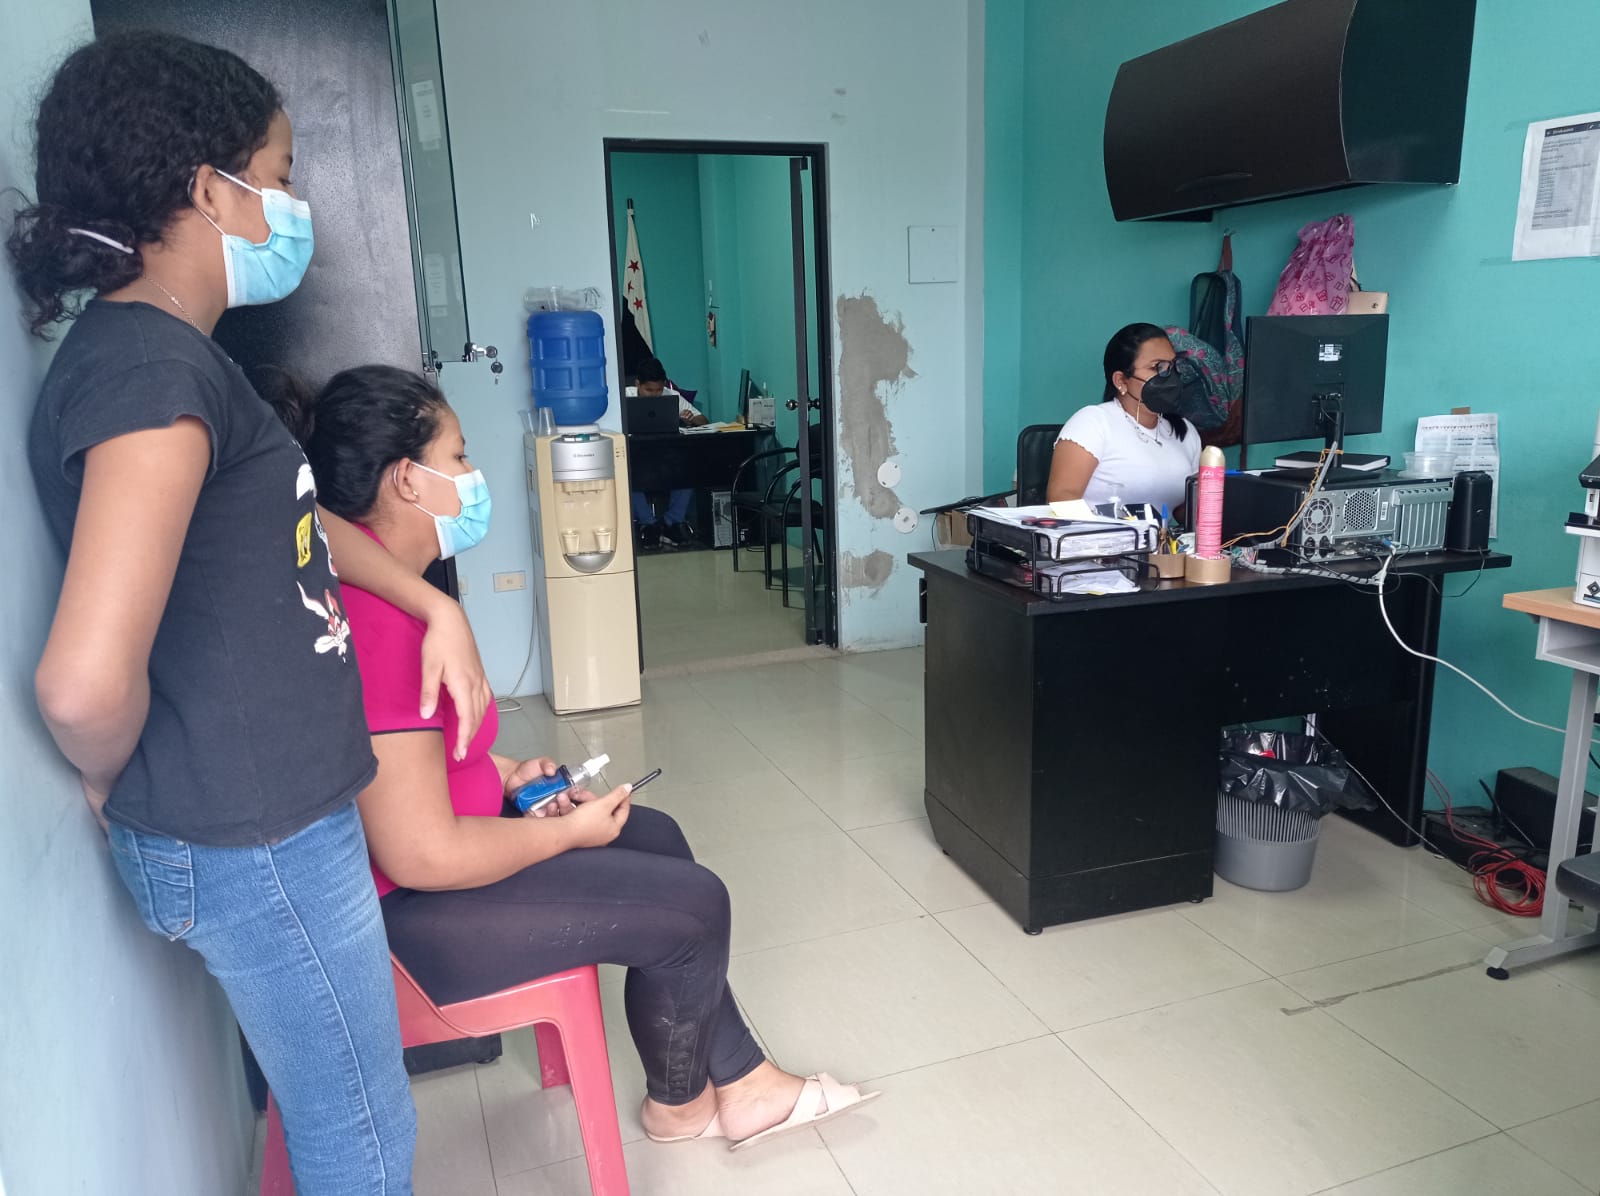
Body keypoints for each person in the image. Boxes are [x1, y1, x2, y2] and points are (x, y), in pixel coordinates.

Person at [12, 33, 492, 1194]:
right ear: (207, 189)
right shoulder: (151, 381)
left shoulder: (173, 358)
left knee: (349, 1113)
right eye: (276, 176)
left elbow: (289, 515)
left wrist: (428, 604)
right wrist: (114, 772)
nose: (288, 205)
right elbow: (79, 681)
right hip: (259, 839)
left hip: (267, 823)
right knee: (361, 1134)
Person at [274, 363, 879, 1152]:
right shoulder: (383, 624)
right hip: (409, 927)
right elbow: (420, 853)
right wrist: (566, 834)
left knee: (657, 836)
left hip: (427, 880)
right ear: (407, 480)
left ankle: (739, 1080)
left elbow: (413, 766)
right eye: (458, 457)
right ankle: (681, 1108)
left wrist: (507, 777)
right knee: (697, 907)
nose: (472, 476)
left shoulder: (387, 594)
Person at [1047, 323, 1201, 513]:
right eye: (1157, 367)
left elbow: (1186, 511)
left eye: (1173, 366)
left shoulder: (1184, 431)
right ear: (1121, 380)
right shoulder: (1093, 422)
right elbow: (1062, 499)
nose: (1170, 376)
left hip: (1160, 534)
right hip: (1097, 532)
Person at [629, 354, 706, 550]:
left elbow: (704, 421)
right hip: (636, 458)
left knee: (688, 471)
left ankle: (671, 523)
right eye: (648, 390)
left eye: (658, 390)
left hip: (667, 458)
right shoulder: (624, 397)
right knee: (628, 474)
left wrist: (691, 418)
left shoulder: (671, 396)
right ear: (637, 384)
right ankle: (649, 525)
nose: (655, 395)